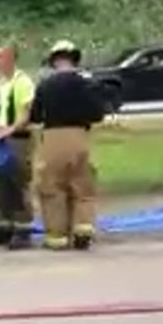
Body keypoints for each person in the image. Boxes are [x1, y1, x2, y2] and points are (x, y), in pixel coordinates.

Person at [29, 40, 104, 250]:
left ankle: (57, 237)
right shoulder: (86, 83)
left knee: (52, 188)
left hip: (53, 137)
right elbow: (98, 114)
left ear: (54, 61)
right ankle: (83, 228)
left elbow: (35, 115)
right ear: (75, 59)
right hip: (80, 136)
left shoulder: (45, 85)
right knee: (83, 186)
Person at [0, 45, 36, 250]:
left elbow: (27, 111)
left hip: (18, 139)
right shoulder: (3, 82)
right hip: (1, 138)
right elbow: (3, 105)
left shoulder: (22, 82)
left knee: (17, 181)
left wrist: (12, 128)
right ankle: (4, 226)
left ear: (11, 59)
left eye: (0, 57)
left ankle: (23, 229)